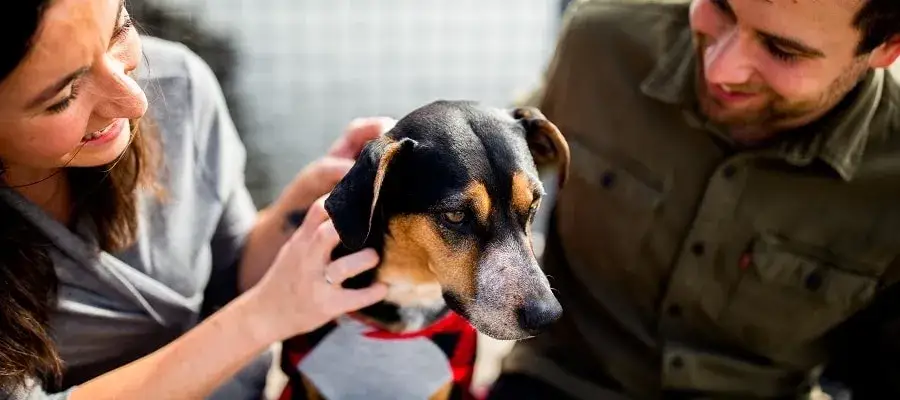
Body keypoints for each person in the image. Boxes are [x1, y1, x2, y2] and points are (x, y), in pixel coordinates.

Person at [485, 0, 900, 399]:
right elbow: (484, 175)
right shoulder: (600, 44)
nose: (720, 68)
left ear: (887, 46)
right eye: (720, 7)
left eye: (782, 50)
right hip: (558, 382)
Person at [0, 1, 392, 399]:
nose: (136, 102)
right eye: (64, 97)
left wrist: (304, 203)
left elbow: (228, 272)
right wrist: (264, 317)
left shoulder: (179, 85)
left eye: (119, 32)